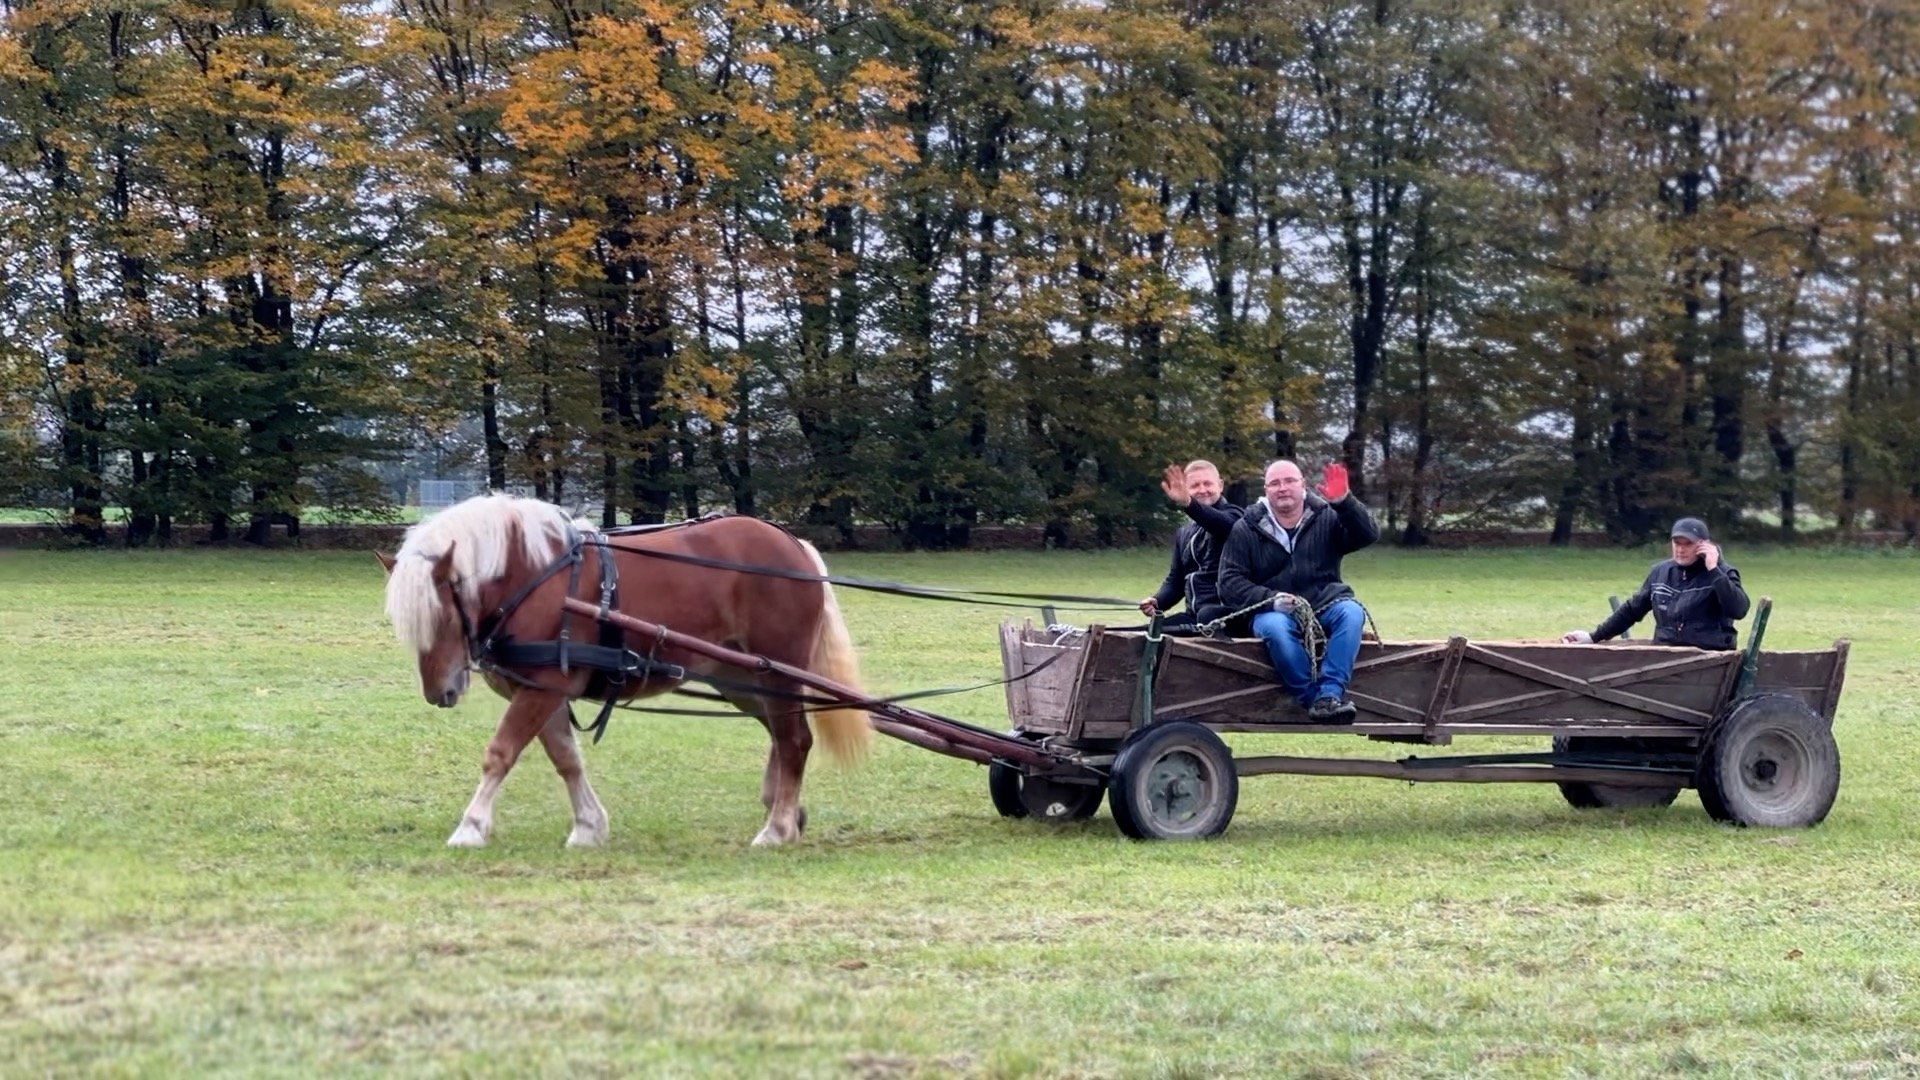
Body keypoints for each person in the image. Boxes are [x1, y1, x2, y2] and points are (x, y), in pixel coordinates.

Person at [1217, 459, 1379, 723]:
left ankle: (1330, 692)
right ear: (1266, 489)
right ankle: (1314, 700)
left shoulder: (1327, 515)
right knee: (1276, 628)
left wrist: (1345, 503)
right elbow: (1229, 583)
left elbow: (1367, 535)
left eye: (1289, 481)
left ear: (1303, 484)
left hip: (1325, 602)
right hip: (1272, 611)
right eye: (1275, 483)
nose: (1283, 488)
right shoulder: (1246, 527)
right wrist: (1271, 599)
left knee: (1351, 613)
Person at [1563, 517, 1750, 650]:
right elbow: (1632, 610)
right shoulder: (1660, 572)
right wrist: (1593, 636)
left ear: (1704, 545)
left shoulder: (1723, 573)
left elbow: (1738, 610)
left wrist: (1713, 570)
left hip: (1709, 657)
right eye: (1677, 543)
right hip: (1665, 654)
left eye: (1688, 544)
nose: (1681, 549)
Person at [1139, 460, 1245, 631]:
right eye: (1195, 485)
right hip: (1195, 616)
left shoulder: (1237, 518)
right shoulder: (1185, 532)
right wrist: (1157, 601)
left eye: (1207, 484)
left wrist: (1188, 503)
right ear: (1186, 489)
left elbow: (1219, 523)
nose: (1202, 490)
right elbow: (1176, 581)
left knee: (1206, 615)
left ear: (1220, 486)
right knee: (1144, 633)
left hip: (1227, 616)